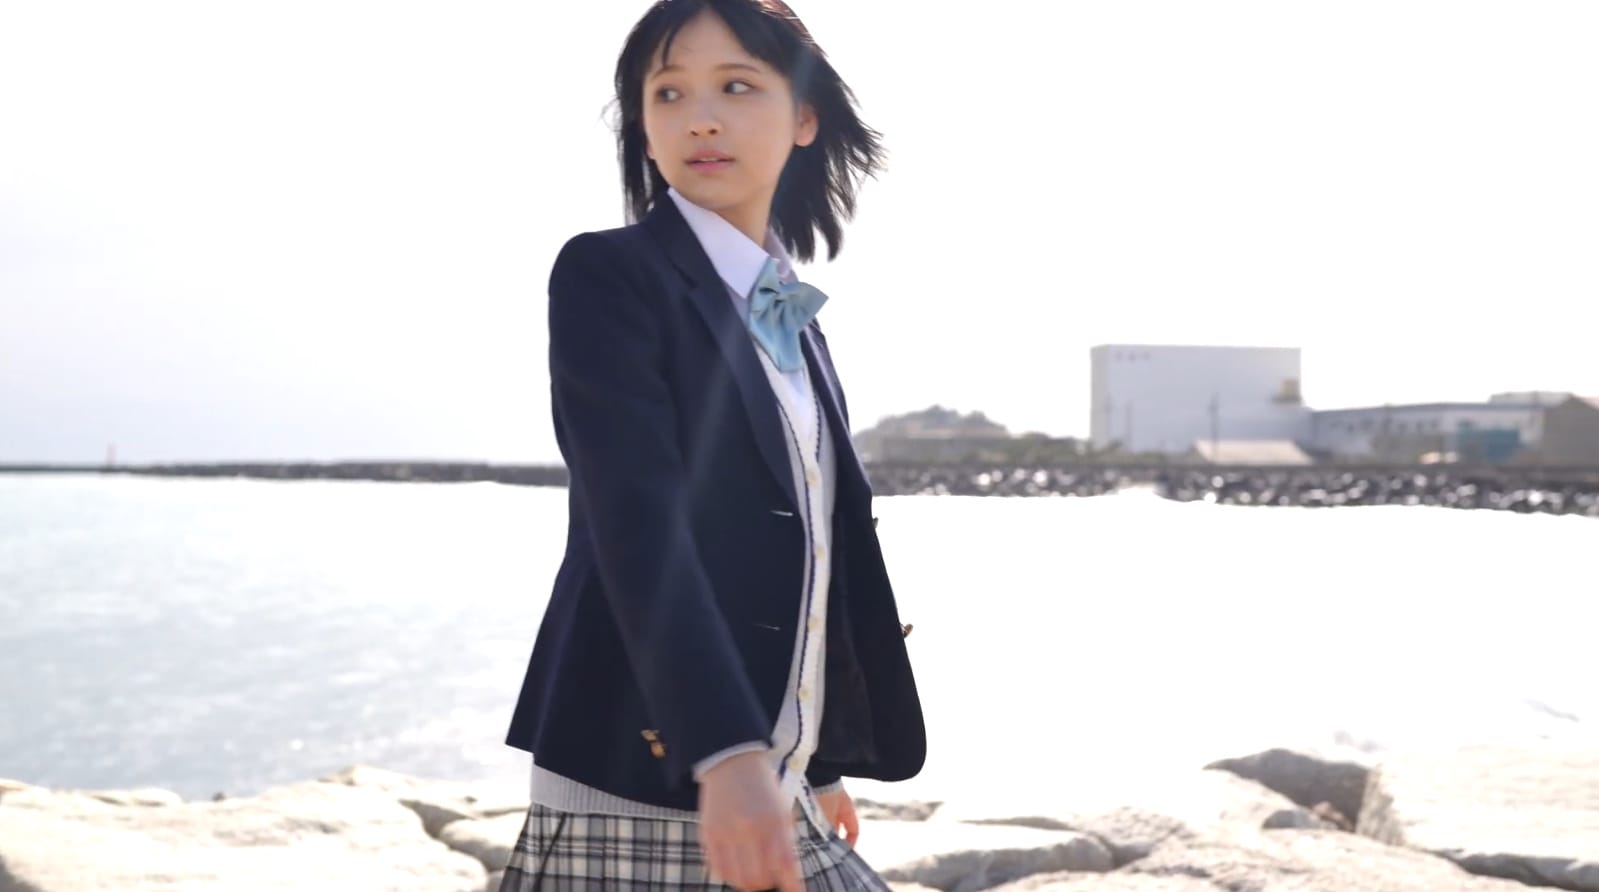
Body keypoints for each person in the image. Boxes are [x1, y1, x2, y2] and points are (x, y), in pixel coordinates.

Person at [498, 1, 924, 888]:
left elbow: (808, 544)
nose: (699, 118)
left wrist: (819, 757)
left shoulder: (789, 314)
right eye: (668, 93)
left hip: (771, 777)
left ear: (804, 117)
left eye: (736, 87)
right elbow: (636, 524)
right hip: (645, 779)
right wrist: (726, 750)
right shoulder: (609, 275)